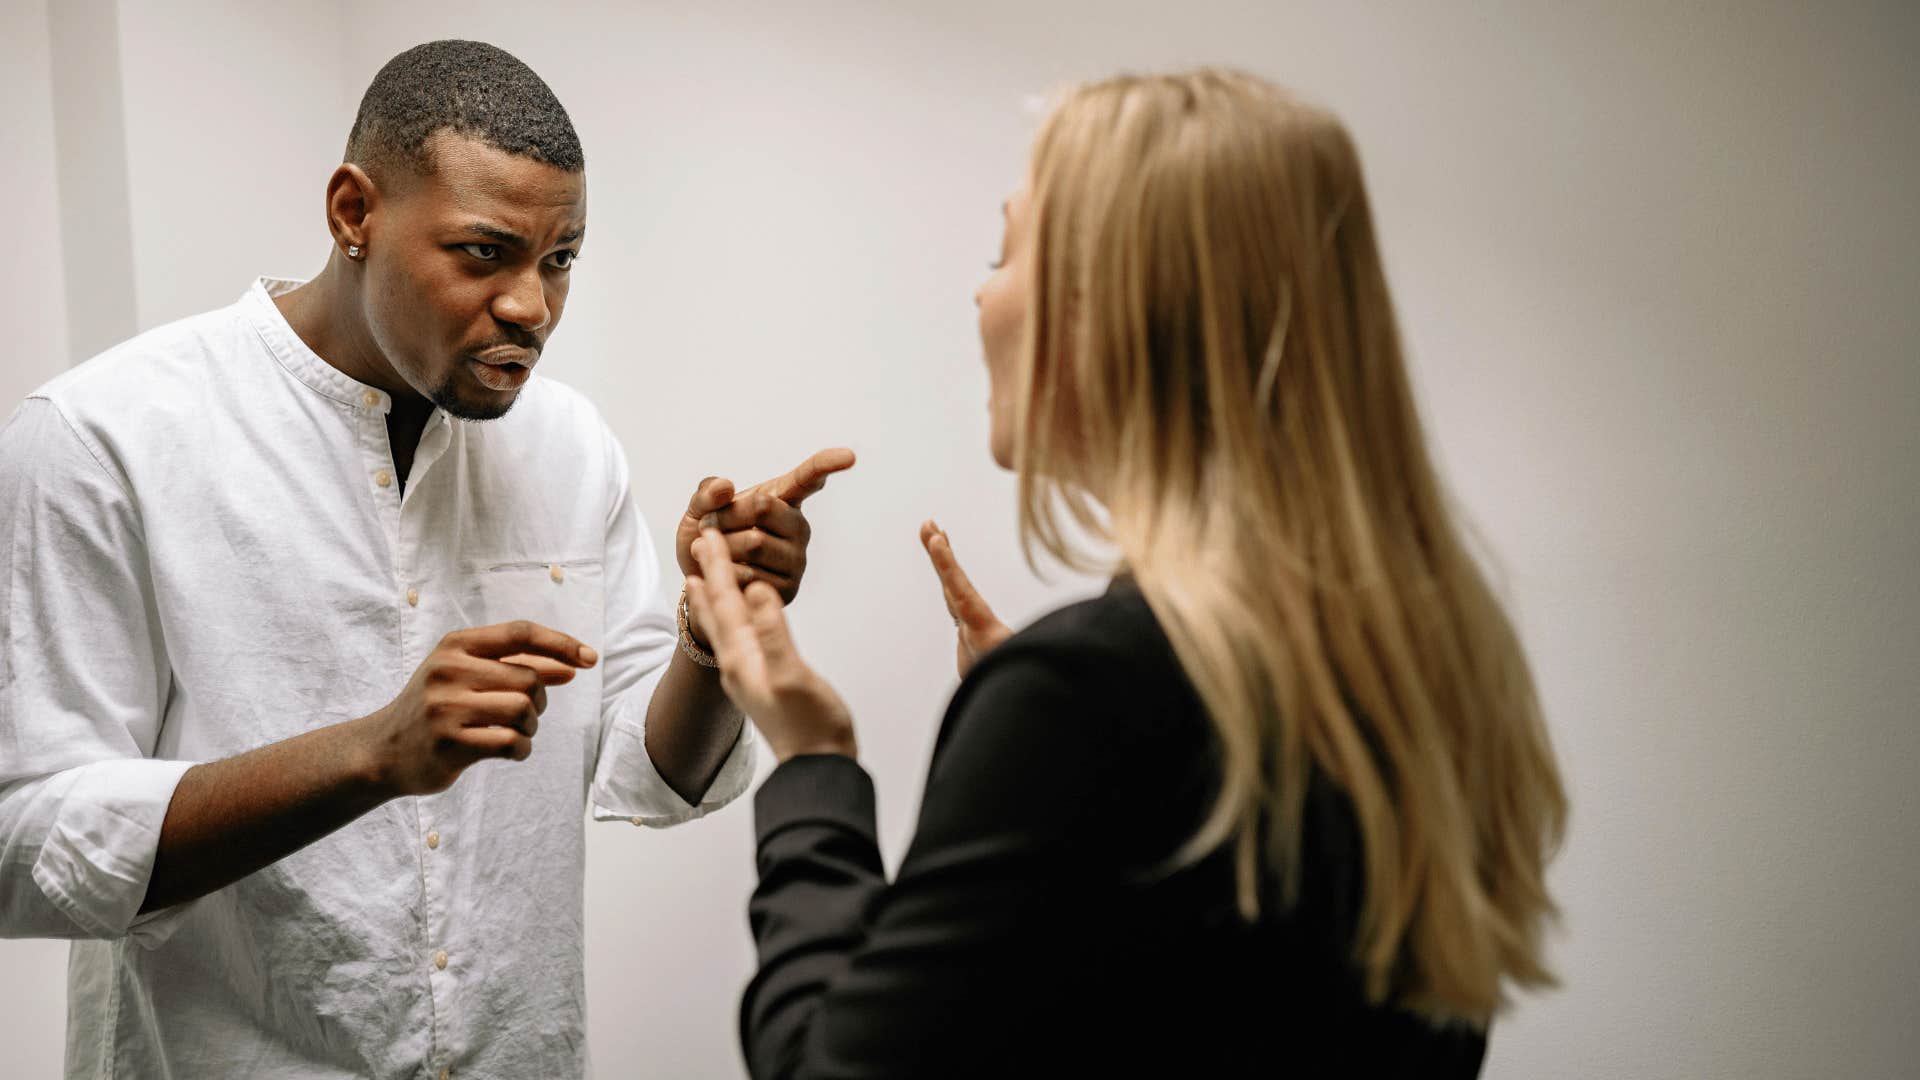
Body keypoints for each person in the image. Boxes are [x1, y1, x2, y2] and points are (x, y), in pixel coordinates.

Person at [684, 68, 1569, 1077]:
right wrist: (1046, 778)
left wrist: (813, 764)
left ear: (1110, 308)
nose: (982, 291)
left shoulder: (1089, 694)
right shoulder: (1415, 668)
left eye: (1006, 249)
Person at [0, 40, 851, 1078]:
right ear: (353, 213)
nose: (531, 306)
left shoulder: (570, 447)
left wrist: (714, 647)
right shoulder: (107, 437)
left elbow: (646, 769)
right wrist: (371, 753)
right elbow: (26, 839)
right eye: (484, 253)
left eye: (561, 259)